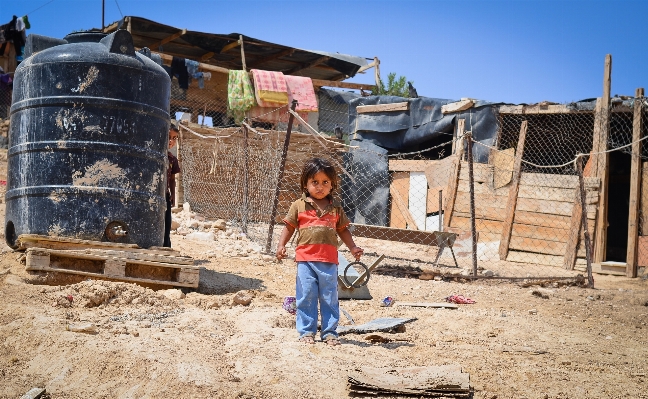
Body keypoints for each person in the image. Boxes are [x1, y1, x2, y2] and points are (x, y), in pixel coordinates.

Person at [276, 157, 364, 346]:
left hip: (329, 261)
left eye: (325, 182)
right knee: (306, 295)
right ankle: (307, 331)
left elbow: (343, 230)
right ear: (305, 183)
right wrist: (281, 245)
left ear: (332, 185)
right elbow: (289, 227)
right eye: (314, 182)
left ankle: (330, 331)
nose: (320, 187)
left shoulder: (336, 208)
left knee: (329, 296)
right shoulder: (298, 205)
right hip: (305, 260)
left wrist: (353, 247)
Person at [164, 125, 181, 247]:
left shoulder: (172, 159)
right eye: (169, 137)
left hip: (165, 196)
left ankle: (166, 245)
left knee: (167, 222)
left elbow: (172, 178)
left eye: (175, 138)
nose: (171, 141)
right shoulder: (156, 155)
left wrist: (173, 194)